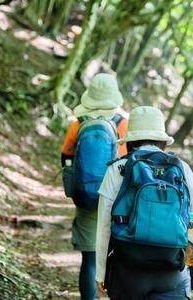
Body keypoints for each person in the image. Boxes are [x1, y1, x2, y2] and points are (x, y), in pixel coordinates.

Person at [95, 106, 193, 300]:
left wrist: (100, 273)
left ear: (131, 140)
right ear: (162, 140)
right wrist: (189, 263)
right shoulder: (182, 168)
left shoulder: (118, 169)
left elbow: (104, 226)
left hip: (127, 272)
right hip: (172, 272)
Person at [60, 73, 128, 300]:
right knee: (117, 258)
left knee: (89, 260)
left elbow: (66, 157)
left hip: (88, 196)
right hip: (117, 198)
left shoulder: (79, 123)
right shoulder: (123, 124)